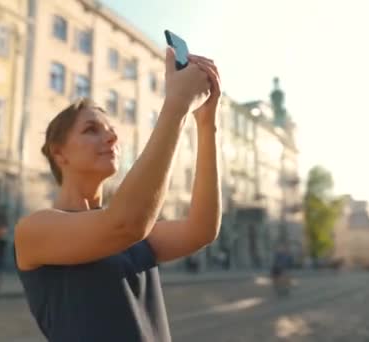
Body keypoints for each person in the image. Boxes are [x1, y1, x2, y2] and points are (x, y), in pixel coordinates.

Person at [14, 48, 222, 341]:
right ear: (58, 153)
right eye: (91, 130)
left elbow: (201, 230)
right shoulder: (34, 230)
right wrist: (175, 105)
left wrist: (206, 122)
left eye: (111, 130)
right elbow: (124, 224)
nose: (111, 137)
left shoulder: (134, 232)